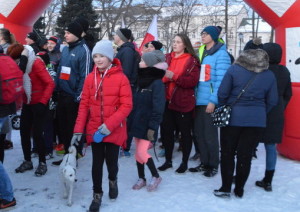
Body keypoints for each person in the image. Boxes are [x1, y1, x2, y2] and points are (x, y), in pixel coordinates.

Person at [71, 40, 132, 212]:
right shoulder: (90, 78)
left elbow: (126, 106)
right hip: (95, 129)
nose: (98, 60)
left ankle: (113, 181)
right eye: (95, 56)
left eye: (102, 56)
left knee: (111, 163)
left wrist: (109, 126)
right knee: (96, 164)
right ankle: (97, 194)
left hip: (114, 129)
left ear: (110, 57)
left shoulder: (121, 78)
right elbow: (84, 106)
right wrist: (78, 129)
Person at [213, 49, 278, 198]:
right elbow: (273, 100)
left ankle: (225, 188)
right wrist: (260, 111)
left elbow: (222, 93)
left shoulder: (234, 69)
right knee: (245, 155)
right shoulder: (269, 75)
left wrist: (227, 107)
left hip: (233, 118)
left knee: (228, 153)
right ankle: (240, 189)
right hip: (256, 121)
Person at [189, 26, 231, 177]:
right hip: (199, 100)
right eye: (202, 33)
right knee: (199, 134)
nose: (202, 36)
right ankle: (204, 162)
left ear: (213, 36)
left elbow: (222, 81)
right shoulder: (203, 52)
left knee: (210, 135)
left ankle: (213, 165)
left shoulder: (221, 55)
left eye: (205, 34)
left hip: (210, 101)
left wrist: (213, 101)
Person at [158, 33, 200, 173]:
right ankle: (168, 161)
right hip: (167, 101)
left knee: (185, 133)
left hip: (183, 102)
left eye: (178, 42)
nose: (175, 44)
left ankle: (184, 162)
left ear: (185, 45)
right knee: (167, 133)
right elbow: (159, 77)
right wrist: (165, 77)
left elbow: (191, 82)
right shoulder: (167, 58)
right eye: (174, 41)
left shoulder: (192, 60)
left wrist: (174, 77)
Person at [52, 21, 92, 166]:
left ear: (76, 34)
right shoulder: (65, 49)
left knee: (73, 129)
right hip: (62, 95)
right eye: (66, 33)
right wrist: (55, 90)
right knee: (63, 129)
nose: (65, 35)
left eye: (68, 33)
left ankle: (74, 157)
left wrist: (78, 97)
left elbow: (85, 76)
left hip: (74, 97)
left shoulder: (84, 50)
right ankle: (68, 156)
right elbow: (60, 71)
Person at [255, 43, 292, 192]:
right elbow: (288, 94)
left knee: (248, 145)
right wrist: (280, 107)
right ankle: (268, 181)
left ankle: (239, 176)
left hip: (258, 111)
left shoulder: (260, 70)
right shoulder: (284, 71)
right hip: (276, 114)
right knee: (271, 147)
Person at [129, 50, 166, 191]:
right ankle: (141, 178)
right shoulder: (140, 81)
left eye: (142, 61)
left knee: (142, 152)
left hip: (148, 125)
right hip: (137, 122)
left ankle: (156, 176)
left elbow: (158, 108)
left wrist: (153, 127)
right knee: (137, 152)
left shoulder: (157, 83)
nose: (139, 63)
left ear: (150, 64)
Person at [15, 51, 55, 176]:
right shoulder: (21, 66)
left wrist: (43, 102)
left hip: (39, 103)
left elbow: (50, 83)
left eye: (17, 61)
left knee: (38, 134)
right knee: (24, 132)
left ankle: (42, 163)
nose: (17, 65)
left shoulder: (36, 63)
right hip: (27, 102)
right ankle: (28, 161)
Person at [113, 28, 140, 156]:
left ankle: (124, 146)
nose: (114, 36)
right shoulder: (123, 50)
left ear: (122, 37)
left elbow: (126, 73)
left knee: (125, 119)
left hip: (127, 89)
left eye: (116, 34)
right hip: (124, 88)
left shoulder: (127, 51)